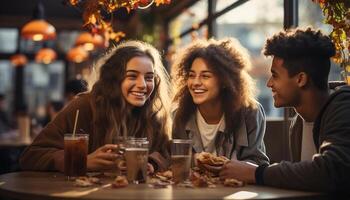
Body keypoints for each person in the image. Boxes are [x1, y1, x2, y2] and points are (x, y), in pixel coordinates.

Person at [219, 27, 350, 192]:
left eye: (275, 75)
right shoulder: (297, 124)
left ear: (301, 79)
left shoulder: (344, 107)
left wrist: (257, 173)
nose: (269, 84)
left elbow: (330, 170)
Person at [20, 40, 172, 173]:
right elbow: (31, 155)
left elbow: (168, 151)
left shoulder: (151, 114)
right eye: (132, 76)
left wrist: (151, 162)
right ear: (114, 79)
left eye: (149, 77)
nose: (142, 85)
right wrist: (82, 161)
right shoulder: (83, 106)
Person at [171, 38, 269, 167]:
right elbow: (176, 161)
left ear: (224, 81)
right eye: (191, 75)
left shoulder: (250, 113)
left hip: (236, 186)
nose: (195, 82)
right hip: (194, 186)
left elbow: (258, 163)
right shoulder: (180, 115)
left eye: (205, 76)